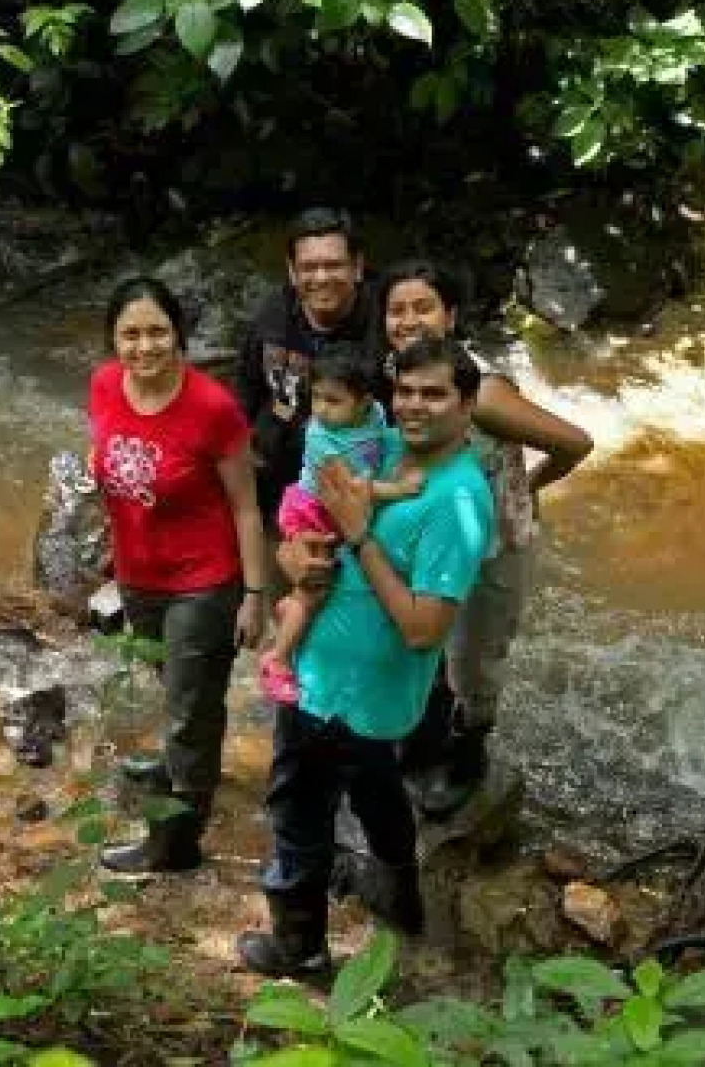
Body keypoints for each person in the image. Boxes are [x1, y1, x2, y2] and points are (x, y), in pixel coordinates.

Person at [236, 334, 494, 977]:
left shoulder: (456, 500)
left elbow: (423, 628)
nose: (414, 405)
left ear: (468, 406)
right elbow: (314, 523)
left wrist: (357, 537)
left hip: (343, 692)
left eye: (434, 394)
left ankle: (300, 948)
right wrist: (297, 561)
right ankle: (398, 896)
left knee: (298, 810)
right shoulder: (391, 452)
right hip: (350, 683)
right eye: (405, 391)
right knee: (377, 790)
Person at [376, 259, 593, 817]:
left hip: (493, 550)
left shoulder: (487, 391)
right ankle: (421, 741)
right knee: (418, 646)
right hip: (427, 543)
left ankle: (468, 756)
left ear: (449, 315)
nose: (407, 320)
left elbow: (576, 443)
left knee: (473, 664)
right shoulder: (390, 376)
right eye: (396, 310)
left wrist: (531, 488)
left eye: (422, 307)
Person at [86, 276, 270, 874]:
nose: (144, 347)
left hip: (204, 580)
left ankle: (175, 845)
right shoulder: (104, 385)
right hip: (141, 577)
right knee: (177, 689)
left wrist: (254, 593)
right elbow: (111, 468)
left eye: (157, 332)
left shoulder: (212, 408)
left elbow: (246, 505)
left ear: (179, 335)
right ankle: (177, 768)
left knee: (192, 710)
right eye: (130, 334)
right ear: (114, 341)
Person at [258, 348, 425, 704]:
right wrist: (399, 489)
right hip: (309, 509)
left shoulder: (377, 416)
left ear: (365, 401)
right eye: (316, 397)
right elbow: (349, 487)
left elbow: (378, 454)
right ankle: (278, 658)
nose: (320, 409)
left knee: (331, 585)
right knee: (314, 589)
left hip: (335, 508)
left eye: (333, 400)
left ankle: (290, 609)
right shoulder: (320, 436)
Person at [234, 207, 383, 528]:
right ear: (292, 271)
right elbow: (245, 387)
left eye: (333, 266)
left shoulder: (384, 323)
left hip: (349, 482)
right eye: (308, 267)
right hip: (272, 470)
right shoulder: (272, 314)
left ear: (357, 267)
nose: (320, 278)